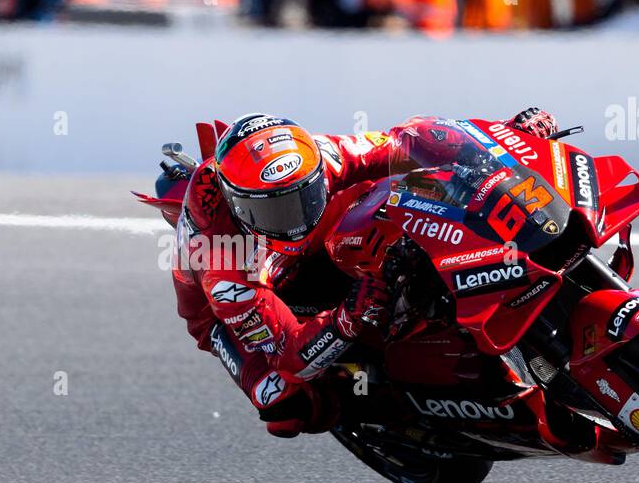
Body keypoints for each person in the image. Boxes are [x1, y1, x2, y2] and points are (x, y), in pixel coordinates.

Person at [166, 108, 559, 437]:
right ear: (239, 207)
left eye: (304, 197)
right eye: (275, 211)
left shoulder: (323, 156)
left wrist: (507, 141)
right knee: (284, 403)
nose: (296, 219)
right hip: (231, 304)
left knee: (399, 189)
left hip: (321, 238)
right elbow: (289, 354)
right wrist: (348, 319)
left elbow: (405, 141)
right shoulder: (221, 258)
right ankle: (391, 415)